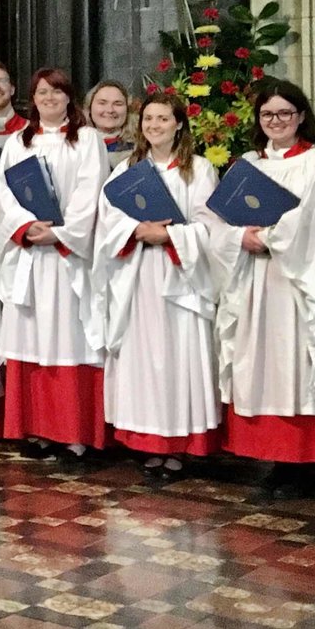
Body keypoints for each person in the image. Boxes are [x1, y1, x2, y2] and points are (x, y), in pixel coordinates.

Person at [206, 81, 315, 500]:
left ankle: (306, 467)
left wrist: (270, 237)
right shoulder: (247, 164)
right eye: (268, 115)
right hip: (257, 283)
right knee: (264, 368)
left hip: (300, 285)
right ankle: (278, 462)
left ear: (302, 116)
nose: (276, 122)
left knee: (298, 368)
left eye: (285, 113)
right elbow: (218, 222)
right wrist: (237, 240)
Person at [94, 92, 221, 480]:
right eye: (149, 119)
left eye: (163, 119)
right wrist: (137, 229)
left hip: (180, 281)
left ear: (179, 123)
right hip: (138, 279)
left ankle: (180, 446)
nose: (155, 126)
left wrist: (171, 237)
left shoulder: (199, 171)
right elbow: (107, 223)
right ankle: (147, 443)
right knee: (143, 360)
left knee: (178, 359)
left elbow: (211, 226)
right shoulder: (125, 173)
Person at [0, 68, 110, 461]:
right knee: (31, 341)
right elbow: (3, 195)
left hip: (66, 260)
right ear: (32, 97)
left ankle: (72, 432)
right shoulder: (17, 142)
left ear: (69, 97)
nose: (48, 98)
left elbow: (90, 193)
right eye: (41, 92)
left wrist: (60, 232)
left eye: (56, 92)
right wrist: (25, 227)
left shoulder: (87, 140)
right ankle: (37, 429)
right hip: (29, 255)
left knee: (68, 341)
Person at [86, 80, 135, 159]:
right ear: (89, 108)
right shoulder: (76, 145)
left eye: (118, 104)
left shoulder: (140, 149)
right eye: (102, 103)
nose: (110, 110)